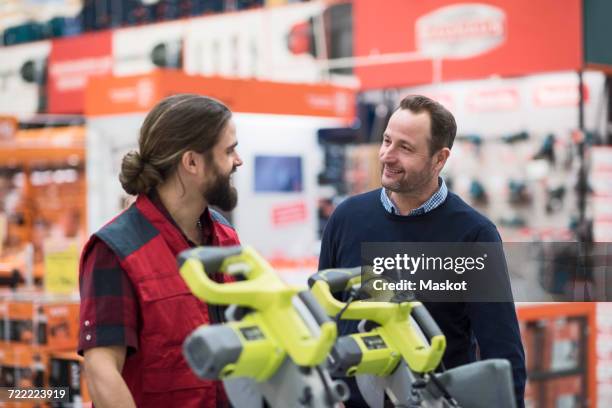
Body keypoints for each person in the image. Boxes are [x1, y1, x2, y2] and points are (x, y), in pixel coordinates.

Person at [317, 95, 526, 407]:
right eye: (387, 140)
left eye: (405, 148)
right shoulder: (347, 218)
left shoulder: (473, 236)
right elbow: (325, 321)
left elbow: (502, 351)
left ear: (439, 159)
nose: (387, 155)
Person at [78, 94, 243, 408]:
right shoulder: (116, 250)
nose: (238, 161)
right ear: (192, 162)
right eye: (229, 150)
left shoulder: (225, 236)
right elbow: (102, 371)